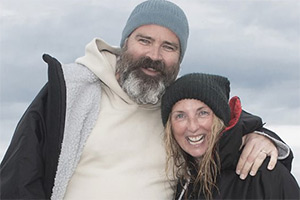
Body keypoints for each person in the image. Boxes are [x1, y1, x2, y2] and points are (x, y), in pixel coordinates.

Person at [0, 0, 293, 199]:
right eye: (144, 40)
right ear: (125, 41)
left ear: (180, 59)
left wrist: (263, 137)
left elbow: (225, 124)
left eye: (168, 46)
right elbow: (18, 177)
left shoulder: (178, 110)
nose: (154, 56)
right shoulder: (71, 91)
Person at [161, 73, 300, 199]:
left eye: (203, 113)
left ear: (220, 118)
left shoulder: (263, 173)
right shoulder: (185, 181)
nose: (192, 126)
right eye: (180, 116)